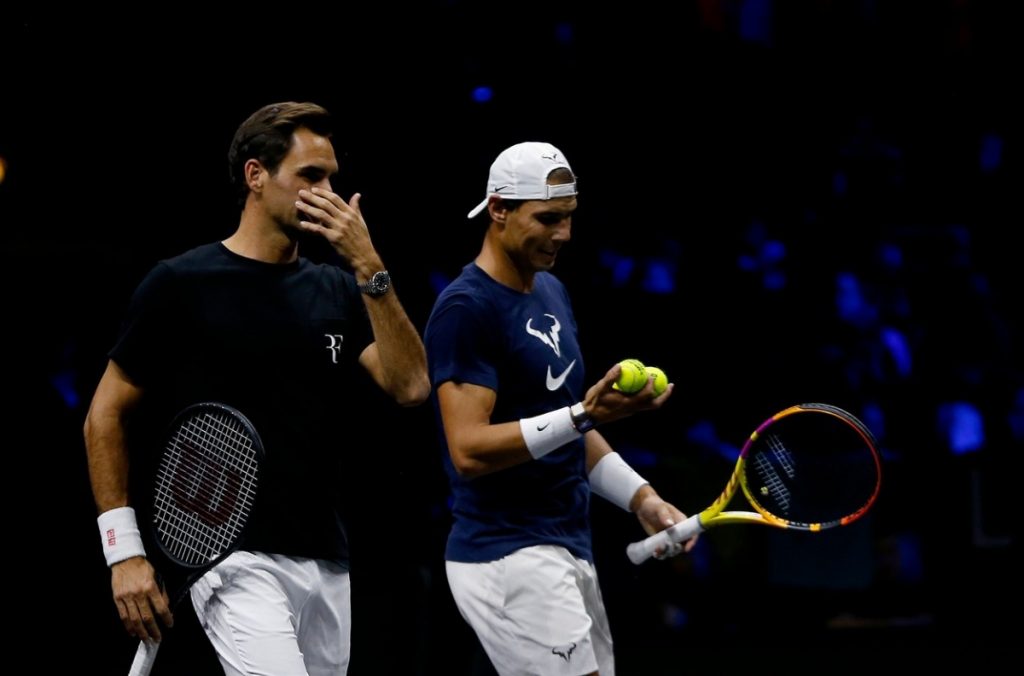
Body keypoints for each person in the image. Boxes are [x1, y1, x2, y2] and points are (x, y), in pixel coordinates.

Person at [84, 101, 430, 675]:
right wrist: (124, 553)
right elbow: (104, 414)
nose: (329, 194)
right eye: (310, 177)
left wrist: (367, 262)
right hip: (227, 556)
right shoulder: (180, 284)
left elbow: (412, 386)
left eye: (332, 180)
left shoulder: (338, 289)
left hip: (326, 558)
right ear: (255, 175)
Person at [423, 141, 697, 676]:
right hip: (506, 554)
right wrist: (584, 415)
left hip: (568, 543)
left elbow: (569, 424)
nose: (564, 234)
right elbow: (468, 450)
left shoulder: (551, 291)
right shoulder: (465, 309)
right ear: (498, 209)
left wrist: (642, 499)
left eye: (569, 218)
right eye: (547, 218)